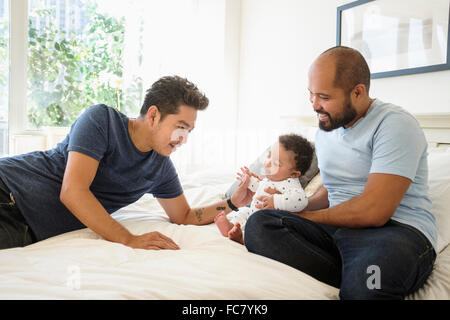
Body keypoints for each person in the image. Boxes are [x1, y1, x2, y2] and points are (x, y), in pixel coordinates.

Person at [243, 46, 437, 300]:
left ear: (358, 92)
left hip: (393, 233)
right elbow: (332, 188)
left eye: (323, 96)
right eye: (310, 94)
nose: (314, 105)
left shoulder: (394, 124)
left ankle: (361, 279)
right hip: (337, 229)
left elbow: (375, 212)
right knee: (262, 224)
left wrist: (310, 218)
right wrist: (296, 208)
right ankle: (353, 273)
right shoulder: (327, 129)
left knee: (368, 283)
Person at [0, 75, 252, 251]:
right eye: (180, 127)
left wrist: (232, 202)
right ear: (153, 115)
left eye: (189, 131)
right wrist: (128, 239)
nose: (183, 139)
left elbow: (184, 215)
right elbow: (73, 192)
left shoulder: (160, 166)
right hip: (9, 189)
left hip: (27, 229)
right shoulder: (102, 121)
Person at [214, 134, 313, 244]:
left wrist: (276, 201)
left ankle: (242, 238)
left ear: (294, 174)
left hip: (267, 221)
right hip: (253, 212)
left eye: (276, 163)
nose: (268, 163)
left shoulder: (291, 184)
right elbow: (260, 188)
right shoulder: (272, 179)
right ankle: (232, 227)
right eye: (269, 156)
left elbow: (301, 200)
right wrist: (249, 180)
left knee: (262, 228)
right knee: (243, 211)